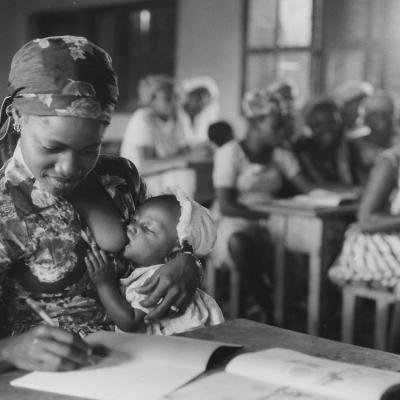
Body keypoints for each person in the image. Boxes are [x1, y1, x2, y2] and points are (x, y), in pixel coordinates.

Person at [0, 36, 201, 372]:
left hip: (147, 360)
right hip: (47, 378)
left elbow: (171, 236)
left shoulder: (121, 177)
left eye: (89, 149)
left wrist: (188, 261)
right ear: (18, 116)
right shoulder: (5, 203)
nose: (69, 168)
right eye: (52, 148)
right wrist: (7, 351)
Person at [209, 88, 313, 320]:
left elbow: (308, 188)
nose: (282, 132)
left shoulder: (280, 154)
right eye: (276, 126)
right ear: (256, 123)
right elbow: (226, 206)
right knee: (240, 242)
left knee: (300, 244)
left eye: (284, 126)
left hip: (272, 219)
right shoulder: (230, 153)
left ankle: (289, 304)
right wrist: (268, 217)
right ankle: (268, 307)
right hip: (235, 218)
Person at [84, 191, 224, 335]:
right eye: (133, 220)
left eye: (147, 229)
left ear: (173, 253)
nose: (130, 227)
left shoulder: (157, 279)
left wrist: (104, 285)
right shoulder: (145, 274)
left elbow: (131, 323)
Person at [120, 75, 206, 197]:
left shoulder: (177, 119)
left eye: (176, 97)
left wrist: (200, 151)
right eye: (168, 99)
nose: (175, 103)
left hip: (164, 178)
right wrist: (183, 159)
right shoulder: (143, 118)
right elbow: (144, 166)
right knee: (183, 179)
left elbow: (186, 150)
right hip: (140, 183)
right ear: (152, 100)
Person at [294, 97, 355, 189]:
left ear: (340, 120)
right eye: (317, 124)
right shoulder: (303, 148)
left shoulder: (351, 146)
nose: (326, 128)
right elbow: (319, 183)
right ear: (310, 127)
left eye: (331, 122)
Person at [349, 91, 398, 186]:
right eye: (374, 113)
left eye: (386, 112)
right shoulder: (354, 145)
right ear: (365, 119)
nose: (381, 117)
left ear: (393, 116)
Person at [179, 76, 219, 146]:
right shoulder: (175, 115)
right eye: (198, 95)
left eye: (206, 96)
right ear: (189, 95)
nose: (202, 100)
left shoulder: (207, 118)